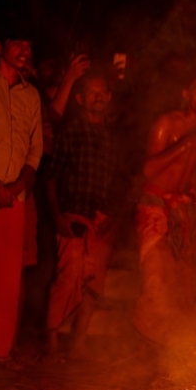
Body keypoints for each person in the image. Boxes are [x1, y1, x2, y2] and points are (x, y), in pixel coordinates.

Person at [132, 71, 196, 346]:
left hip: (181, 210)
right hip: (155, 208)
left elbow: (191, 173)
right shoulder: (166, 124)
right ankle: (147, 348)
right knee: (156, 280)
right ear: (185, 94)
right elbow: (148, 170)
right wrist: (185, 144)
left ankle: (174, 352)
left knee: (184, 279)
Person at [44, 73, 118, 359]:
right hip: (73, 215)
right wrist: (58, 216)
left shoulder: (112, 137)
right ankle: (50, 342)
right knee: (67, 279)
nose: (98, 97)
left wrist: (112, 216)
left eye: (102, 92)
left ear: (108, 98)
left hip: (101, 220)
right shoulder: (71, 131)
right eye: (92, 93)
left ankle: (78, 342)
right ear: (80, 99)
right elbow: (51, 178)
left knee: (93, 283)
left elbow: (118, 181)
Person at [0, 34, 43, 362]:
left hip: (15, 196)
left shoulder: (31, 94)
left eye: (29, 45)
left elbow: (35, 147)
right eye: (18, 43)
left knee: (8, 280)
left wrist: (18, 183)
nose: (25, 50)